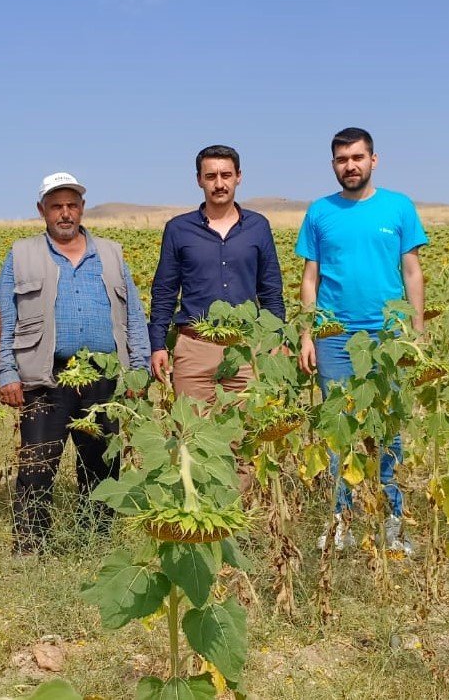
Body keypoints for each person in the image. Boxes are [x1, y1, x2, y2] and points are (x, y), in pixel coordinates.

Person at [0, 172, 151, 553]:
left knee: (101, 463)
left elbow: (132, 314)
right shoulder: (22, 253)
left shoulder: (111, 253)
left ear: (82, 208)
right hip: (46, 375)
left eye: (71, 205)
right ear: (41, 211)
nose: (65, 213)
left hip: (104, 375)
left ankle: (94, 541)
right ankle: (31, 548)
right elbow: (4, 316)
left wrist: (139, 367)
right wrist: (6, 370)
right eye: (56, 206)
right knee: (37, 464)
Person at [296, 127, 427, 555]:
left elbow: (411, 272)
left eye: (357, 157)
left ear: (374, 160)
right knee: (339, 429)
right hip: (334, 335)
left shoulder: (399, 207)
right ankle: (342, 520)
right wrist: (306, 333)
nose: (349, 166)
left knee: (388, 428)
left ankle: (394, 520)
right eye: (341, 159)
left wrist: (417, 334)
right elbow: (310, 279)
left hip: (387, 335)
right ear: (333, 164)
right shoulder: (320, 212)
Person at [149, 145, 285, 402]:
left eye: (226, 175)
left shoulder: (258, 227)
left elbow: (270, 289)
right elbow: (165, 291)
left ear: (238, 176)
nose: (219, 183)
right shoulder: (179, 229)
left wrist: (276, 336)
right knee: (194, 432)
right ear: (199, 179)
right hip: (194, 349)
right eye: (211, 176)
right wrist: (157, 344)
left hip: (245, 349)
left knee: (243, 435)